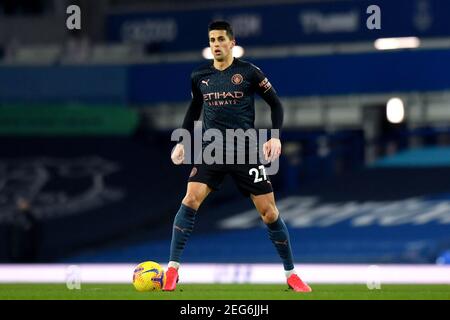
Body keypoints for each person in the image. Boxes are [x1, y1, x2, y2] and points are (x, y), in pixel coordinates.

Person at [163, 21, 311, 292]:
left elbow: (275, 103)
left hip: (245, 150)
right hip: (212, 150)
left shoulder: (249, 72)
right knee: (190, 199)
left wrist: (275, 136)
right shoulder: (199, 76)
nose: (216, 44)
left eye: (221, 39)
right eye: (212, 40)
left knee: (269, 213)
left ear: (232, 42)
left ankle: (291, 274)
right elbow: (194, 108)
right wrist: (183, 141)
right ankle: (172, 270)